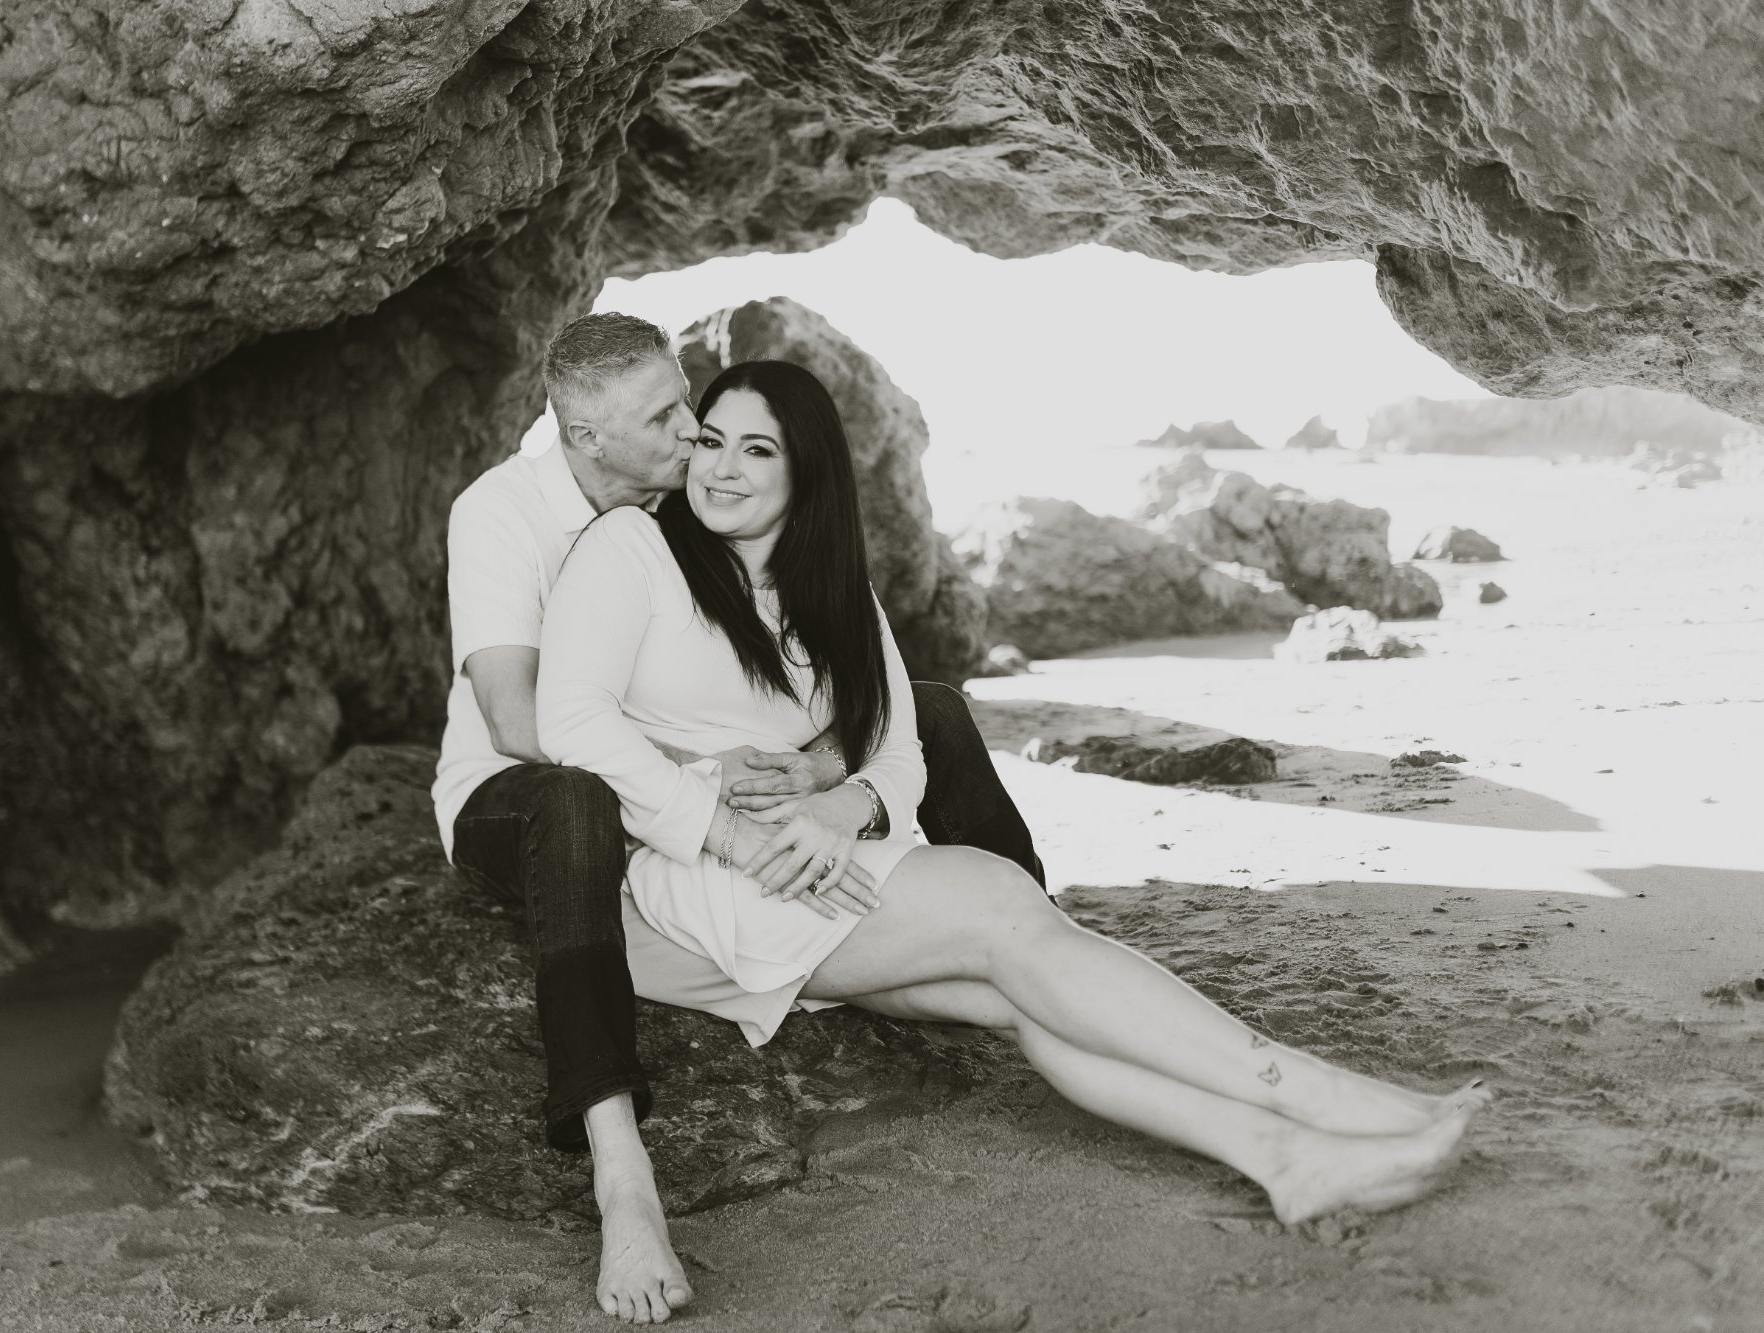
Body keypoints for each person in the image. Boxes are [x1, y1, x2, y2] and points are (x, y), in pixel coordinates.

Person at [534, 360, 1491, 1296]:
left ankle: (1282, 1157)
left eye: (756, 449)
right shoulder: (633, 548)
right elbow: (571, 723)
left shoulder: (832, 590)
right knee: (1006, 908)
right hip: (706, 870)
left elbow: (900, 744)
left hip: (826, 857)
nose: (719, 466)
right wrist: (732, 829)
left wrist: (842, 802)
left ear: (806, 475)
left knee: (1023, 993)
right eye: (708, 440)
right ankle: (1314, 1093)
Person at [431, 315, 1049, 1325]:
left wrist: (810, 764)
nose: (692, 431)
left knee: (927, 709)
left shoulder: (685, 494)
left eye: (690, 403)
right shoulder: (501, 512)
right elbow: (518, 717)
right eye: (666, 417)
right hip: (520, 789)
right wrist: (697, 776)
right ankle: (619, 1170)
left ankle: (1039, 932)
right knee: (579, 800)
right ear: (586, 438)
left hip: (685, 777)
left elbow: (776, 652)